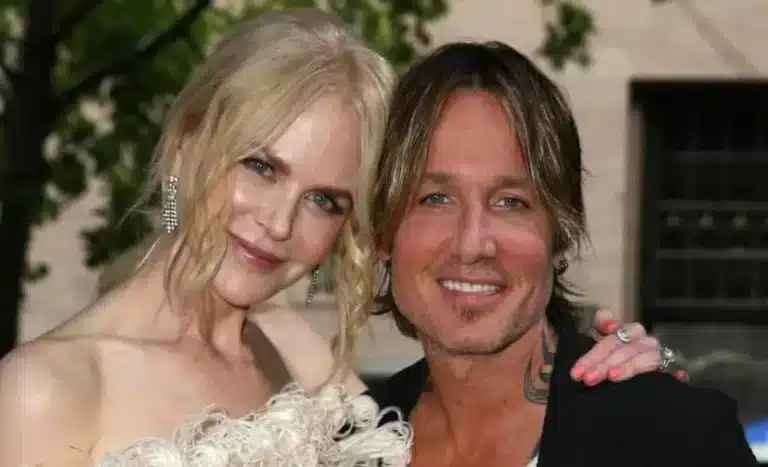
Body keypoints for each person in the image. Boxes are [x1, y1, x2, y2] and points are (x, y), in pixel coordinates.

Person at [0, 9, 677, 466]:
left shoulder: (301, 361)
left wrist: (633, 375)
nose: (279, 223)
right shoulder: (44, 390)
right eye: (260, 167)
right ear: (186, 145)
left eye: (324, 200)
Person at [367, 41, 758, 467]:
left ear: (560, 235)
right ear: (383, 234)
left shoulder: (676, 439)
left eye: (510, 202)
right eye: (435, 199)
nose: (472, 243)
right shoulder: (346, 440)